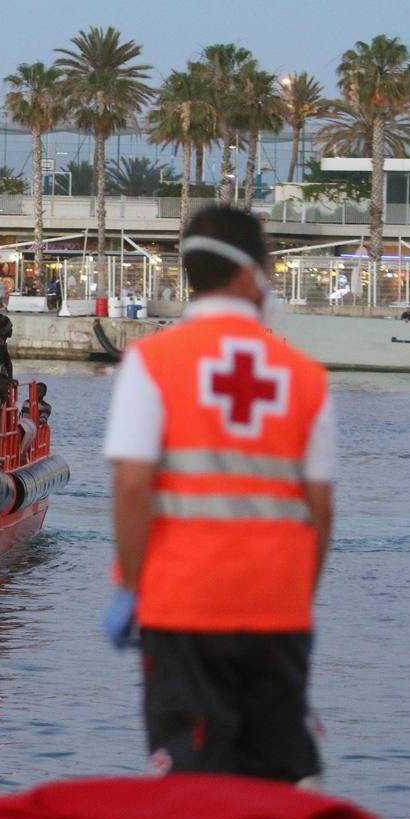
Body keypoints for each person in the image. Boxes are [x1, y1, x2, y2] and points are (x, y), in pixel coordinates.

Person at [102, 205, 336, 785]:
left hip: (180, 610)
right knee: (276, 790)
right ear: (249, 273)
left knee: (193, 792)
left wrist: (132, 589)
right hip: (277, 614)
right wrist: (296, 597)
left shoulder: (151, 364)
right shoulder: (306, 377)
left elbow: (133, 484)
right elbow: (321, 508)